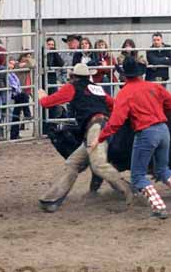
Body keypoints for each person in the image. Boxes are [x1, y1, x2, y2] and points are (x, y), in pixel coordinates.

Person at [94, 56, 171, 219]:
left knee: (138, 176)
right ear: (140, 73)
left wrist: (100, 137)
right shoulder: (154, 87)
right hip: (163, 130)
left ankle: (159, 208)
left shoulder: (125, 93)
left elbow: (116, 122)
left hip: (146, 133)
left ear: (124, 75)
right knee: (163, 169)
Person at [37, 63, 133, 213]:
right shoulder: (98, 88)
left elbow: (47, 103)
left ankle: (130, 191)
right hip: (100, 127)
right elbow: (114, 104)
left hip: (94, 129)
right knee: (73, 163)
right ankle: (51, 199)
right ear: (88, 76)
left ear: (73, 77)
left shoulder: (72, 87)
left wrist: (41, 95)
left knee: (98, 164)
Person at [8, 57, 31, 140]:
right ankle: (27, 114)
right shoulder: (7, 72)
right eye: (10, 63)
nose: (12, 65)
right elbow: (13, 85)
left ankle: (14, 134)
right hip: (11, 95)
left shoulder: (12, 73)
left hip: (15, 94)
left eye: (13, 63)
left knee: (16, 113)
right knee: (24, 97)